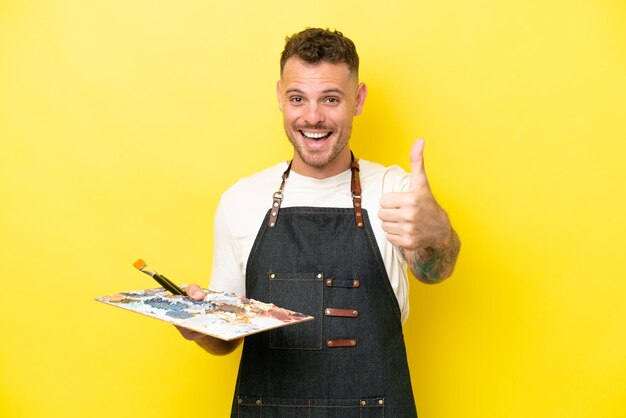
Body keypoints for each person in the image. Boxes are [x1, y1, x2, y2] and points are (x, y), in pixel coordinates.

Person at [178, 27, 460, 417]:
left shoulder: (393, 191)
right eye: (298, 99)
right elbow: (226, 340)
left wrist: (439, 233)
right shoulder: (240, 201)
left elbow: (434, 270)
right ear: (280, 97)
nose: (312, 117)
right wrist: (202, 329)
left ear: (357, 100)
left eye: (330, 99)